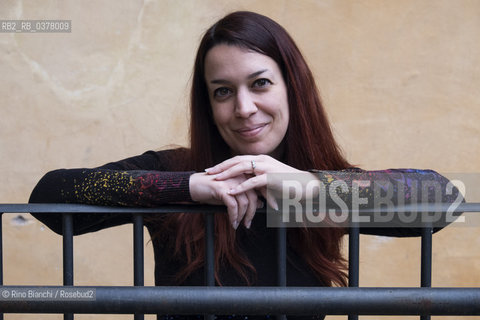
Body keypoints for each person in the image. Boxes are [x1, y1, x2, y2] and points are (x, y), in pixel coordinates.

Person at [29, 11, 461, 320]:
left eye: (260, 84)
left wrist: (308, 186)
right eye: (222, 91)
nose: (243, 108)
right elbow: (50, 195)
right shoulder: (176, 172)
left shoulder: (320, 189)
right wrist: (193, 188)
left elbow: (442, 198)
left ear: (293, 87)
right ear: (209, 105)